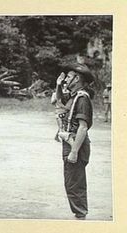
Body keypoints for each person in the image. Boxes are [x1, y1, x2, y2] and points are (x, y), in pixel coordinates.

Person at [55, 62, 94, 220]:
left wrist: (74, 151)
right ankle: (79, 215)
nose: (65, 80)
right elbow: (60, 102)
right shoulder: (74, 96)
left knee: (74, 183)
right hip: (70, 142)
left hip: (76, 144)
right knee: (71, 182)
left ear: (77, 79)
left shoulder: (82, 98)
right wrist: (58, 86)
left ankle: (81, 217)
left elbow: (83, 128)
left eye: (69, 77)